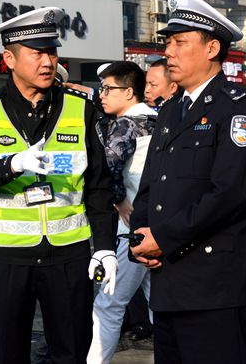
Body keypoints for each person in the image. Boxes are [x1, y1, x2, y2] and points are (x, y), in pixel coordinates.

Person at [0, 7, 117, 364]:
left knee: (72, 352)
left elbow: (98, 184)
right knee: (8, 354)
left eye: (52, 52)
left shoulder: (81, 107)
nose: (47, 61)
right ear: (9, 59)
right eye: (37, 53)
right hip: (7, 258)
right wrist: (12, 165)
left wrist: (104, 246)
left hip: (69, 256)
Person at [130, 0, 246, 364]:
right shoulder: (172, 110)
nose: (169, 52)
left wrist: (164, 237)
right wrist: (140, 236)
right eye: (167, 43)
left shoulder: (238, 110)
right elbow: (152, 186)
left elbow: (229, 194)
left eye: (179, 42)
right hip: (169, 281)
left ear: (211, 49)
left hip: (215, 287)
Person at [87, 61, 157, 364]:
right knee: (161, 304)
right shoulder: (162, 119)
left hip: (129, 230)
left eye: (108, 88)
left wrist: (118, 200)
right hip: (158, 227)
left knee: (108, 305)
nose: (102, 95)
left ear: (129, 92)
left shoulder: (126, 125)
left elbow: (105, 170)